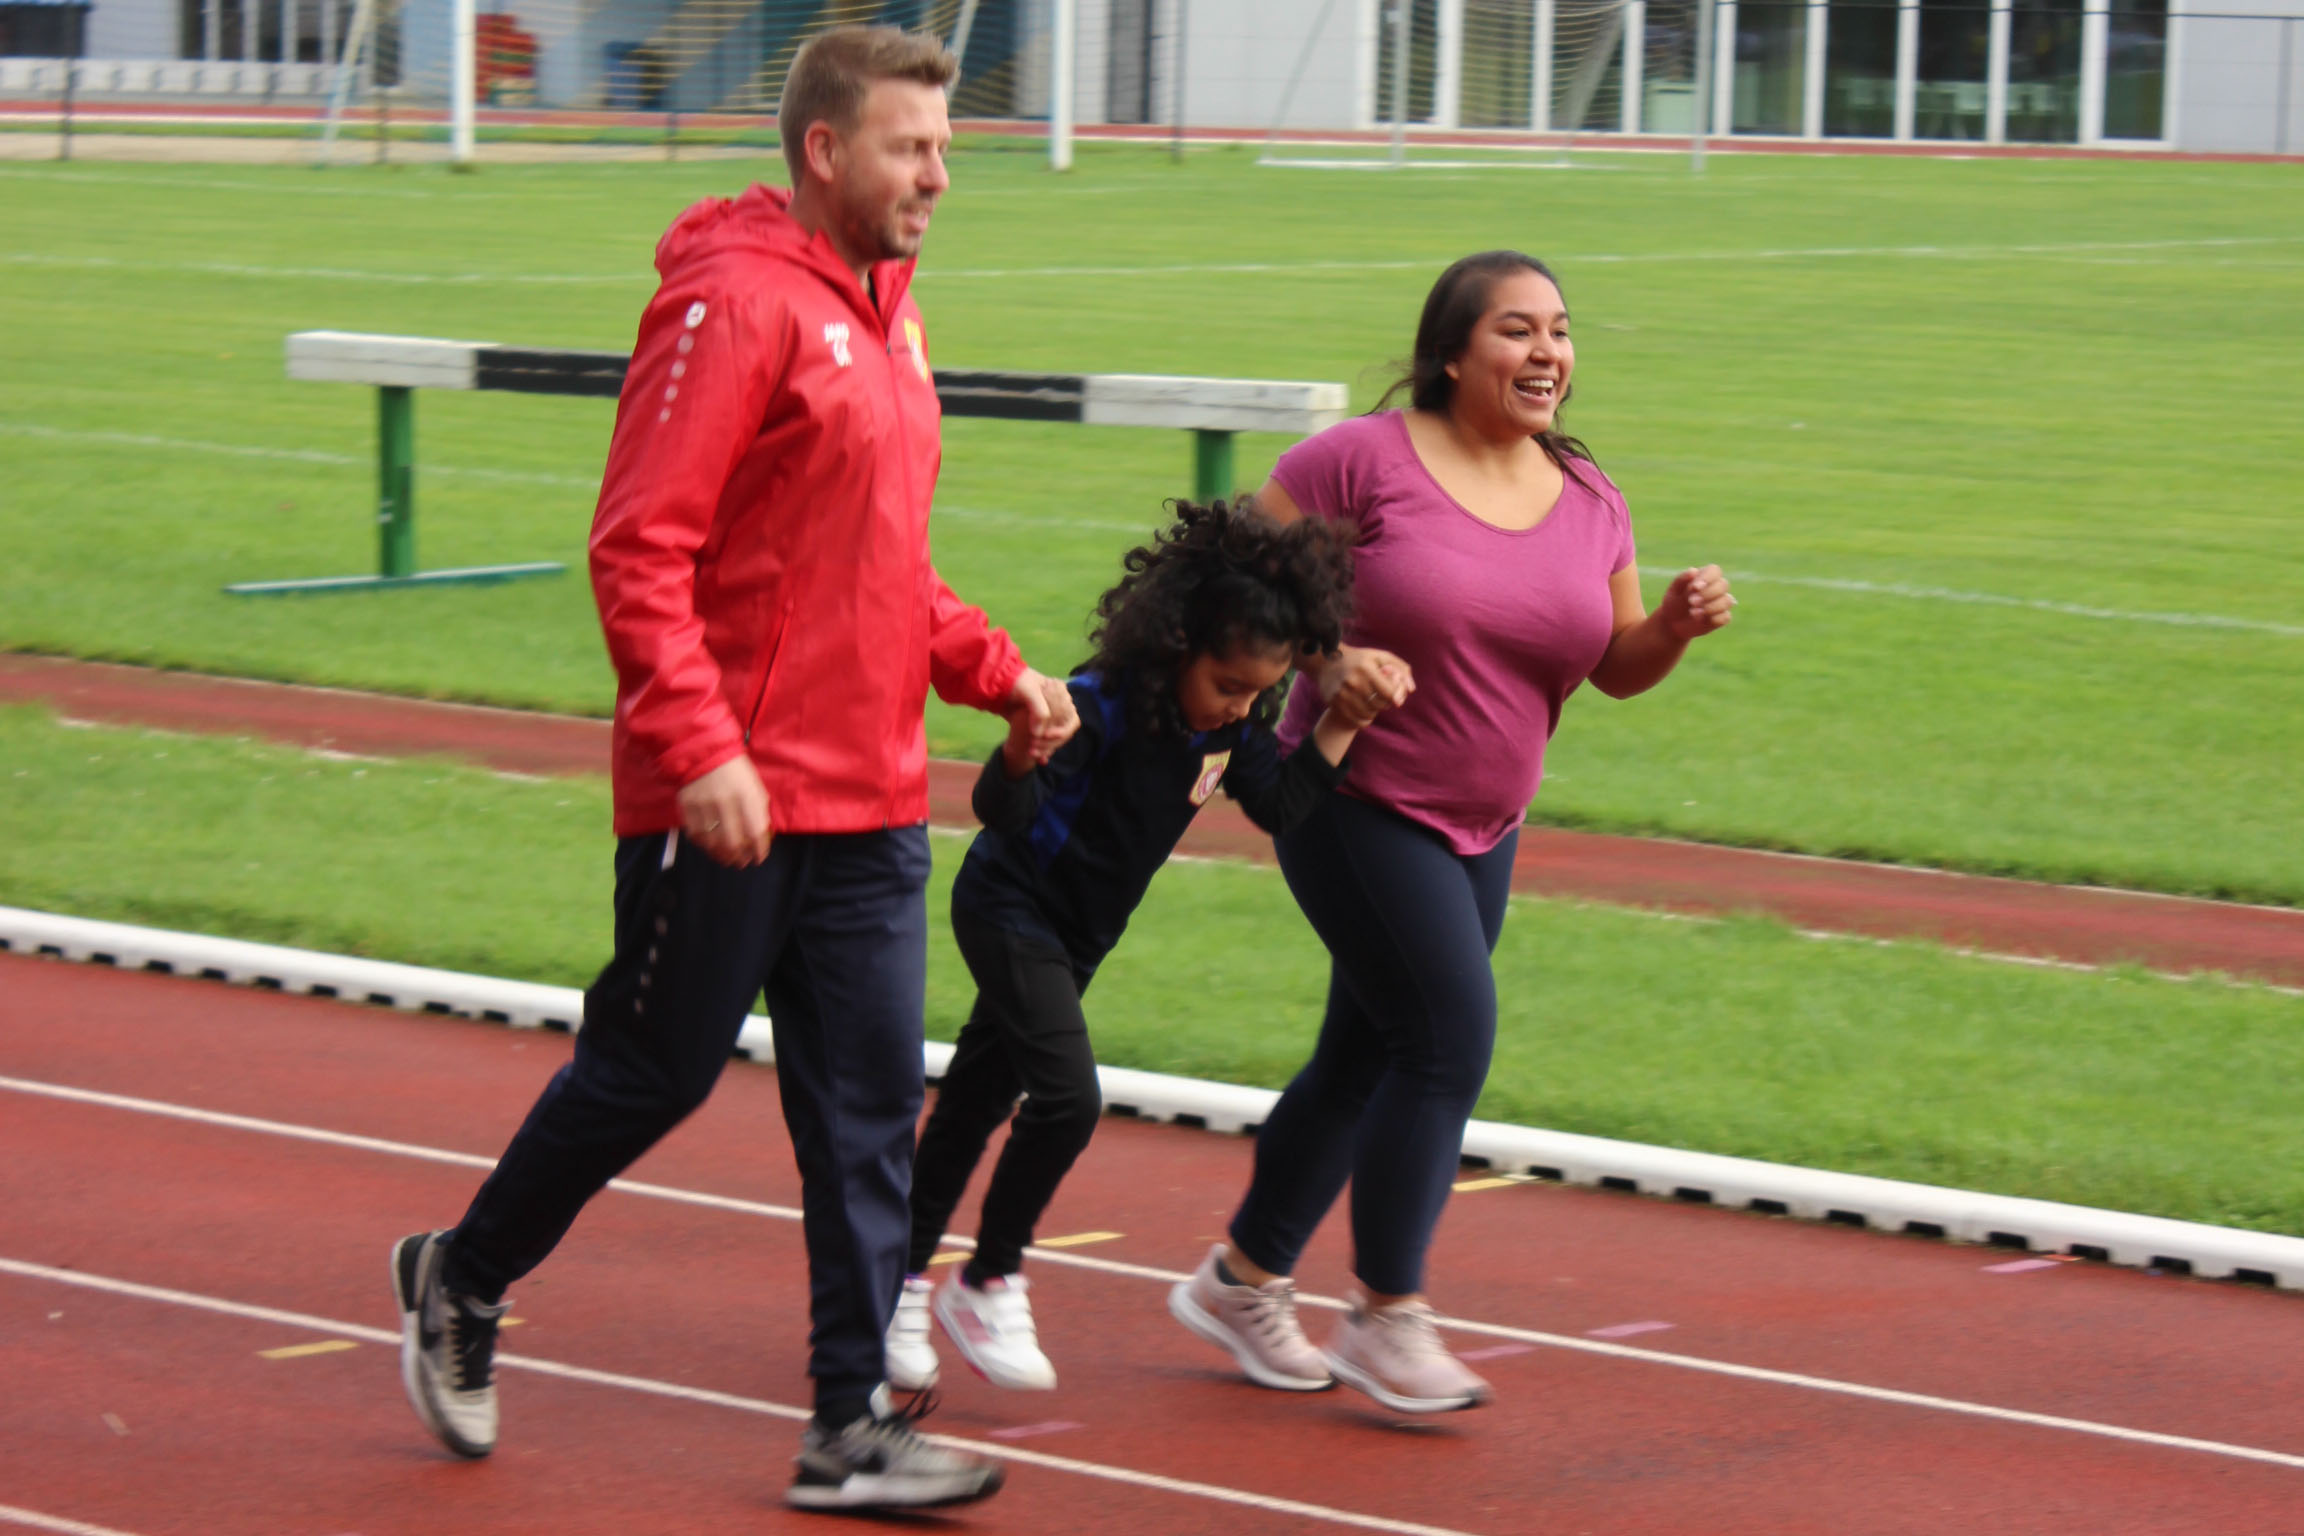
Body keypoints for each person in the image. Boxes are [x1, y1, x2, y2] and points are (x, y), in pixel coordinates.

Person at [388, 25, 1078, 1513]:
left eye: (945, 149)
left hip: (874, 795)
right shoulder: (729, 300)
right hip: (732, 799)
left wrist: (993, 669)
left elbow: (876, 562)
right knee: (653, 1074)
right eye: (911, 148)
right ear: (826, 149)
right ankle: (465, 1274)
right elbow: (639, 547)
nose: (939, 177)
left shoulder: (891, 311)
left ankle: (848, 1426)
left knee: (867, 1118)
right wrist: (701, 749)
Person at [1167, 251, 1736, 1414]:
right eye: (1516, 331)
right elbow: (1226, 575)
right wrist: (1327, 658)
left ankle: (1241, 1279)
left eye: (1560, 331)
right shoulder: (1360, 463)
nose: (1547, 352)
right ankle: (1388, 1314)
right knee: (1445, 1039)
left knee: (1367, 1053)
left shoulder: (1591, 497)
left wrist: (1673, 628)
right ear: (1449, 354)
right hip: (1352, 800)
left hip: (1486, 824)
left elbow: (1615, 664)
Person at [885, 499, 1386, 1395]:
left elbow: (1279, 807)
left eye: (1259, 693)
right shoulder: (1098, 708)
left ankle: (895, 1278)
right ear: (1178, 644)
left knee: (972, 1105)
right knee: (1068, 1100)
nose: (1242, 706)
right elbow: (1001, 815)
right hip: (1009, 911)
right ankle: (989, 1279)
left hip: (1080, 938)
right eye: (1228, 685)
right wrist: (1018, 752)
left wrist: (1339, 724)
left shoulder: (1228, 728)